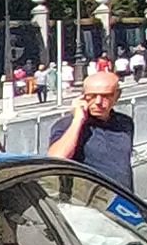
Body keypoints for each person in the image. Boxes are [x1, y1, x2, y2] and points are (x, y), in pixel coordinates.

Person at [45, 62, 136, 190]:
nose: (98, 102)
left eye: (106, 96)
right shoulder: (67, 125)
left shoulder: (125, 123)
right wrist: (78, 120)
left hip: (122, 200)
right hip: (86, 203)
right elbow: (56, 159)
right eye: (92, 96)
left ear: (117, 96)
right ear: (83, 96)